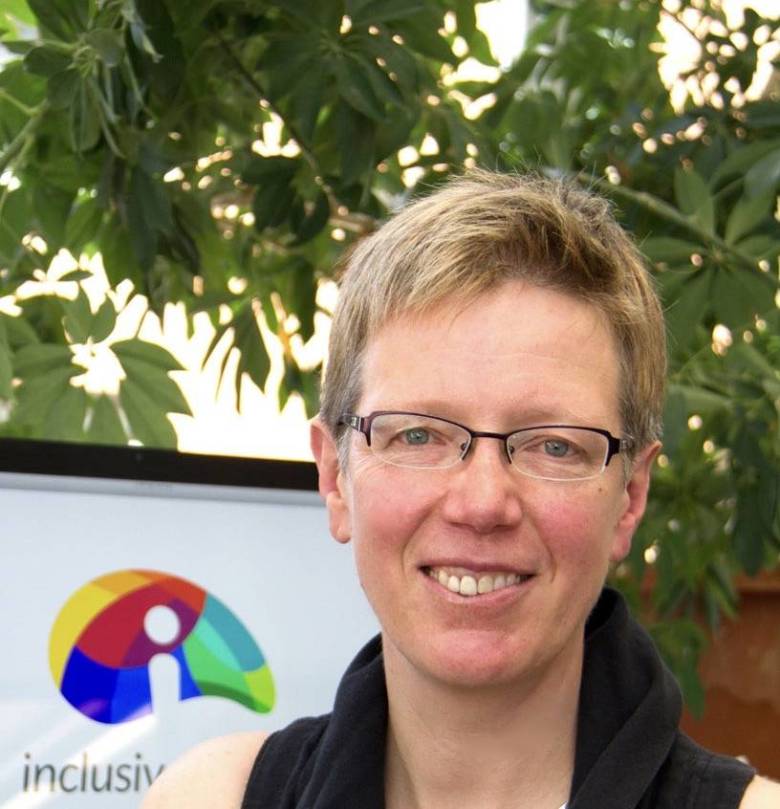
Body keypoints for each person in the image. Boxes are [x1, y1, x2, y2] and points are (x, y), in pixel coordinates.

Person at [142, 171, 779, 808]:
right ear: (335, 476)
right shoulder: (213, 799)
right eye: (418, 436)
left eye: (553, 445)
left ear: (630, 497)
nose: (482, 504)